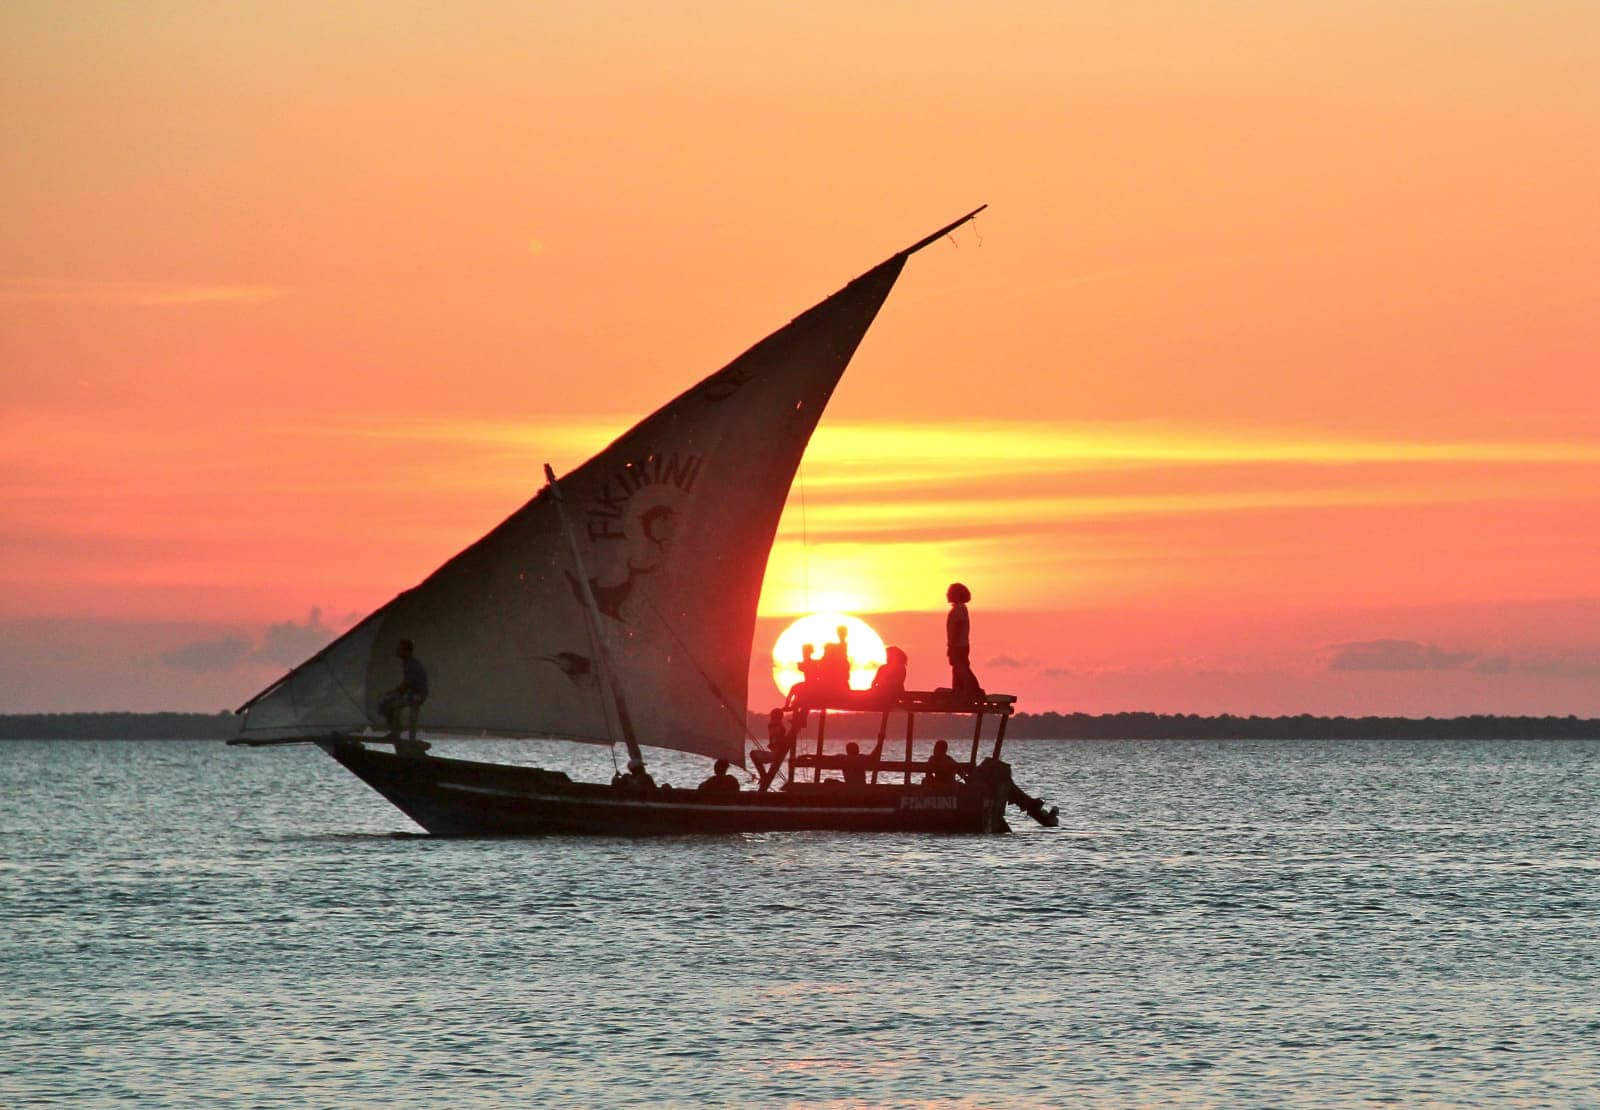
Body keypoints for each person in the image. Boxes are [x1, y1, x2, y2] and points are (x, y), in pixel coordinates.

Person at [379, 639, 430, 749]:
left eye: (399, 649)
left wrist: (395, 692)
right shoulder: (407, 663)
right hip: (412, 693)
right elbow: (407, 684)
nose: (397, 651)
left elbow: (408, 683)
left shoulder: (412, 664)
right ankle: (396, 731)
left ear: (407, 651)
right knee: (386, 704)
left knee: (388, 704)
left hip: (417, 695)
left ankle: (396, 732)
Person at [945, 583, 983, 698]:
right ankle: (960, 689)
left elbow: (958, 625)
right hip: (960, 644)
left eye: (949, 592)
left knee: (960, 667)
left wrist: (952, 645)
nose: (947, 594)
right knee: (959, 667)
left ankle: (971, 689)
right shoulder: (959, 608)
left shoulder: (959, 608)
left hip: (958, 645)